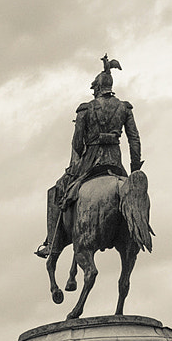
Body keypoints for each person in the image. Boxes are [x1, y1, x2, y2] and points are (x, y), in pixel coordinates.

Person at [37, 56, 142, 258]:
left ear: (97, 89)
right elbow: (134, 140)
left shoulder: (86, 108)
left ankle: (52, 243)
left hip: (91, 161)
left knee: (57, 190)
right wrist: (135, 168)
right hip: (116, 162)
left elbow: (77, 144)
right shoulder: (125, 108)